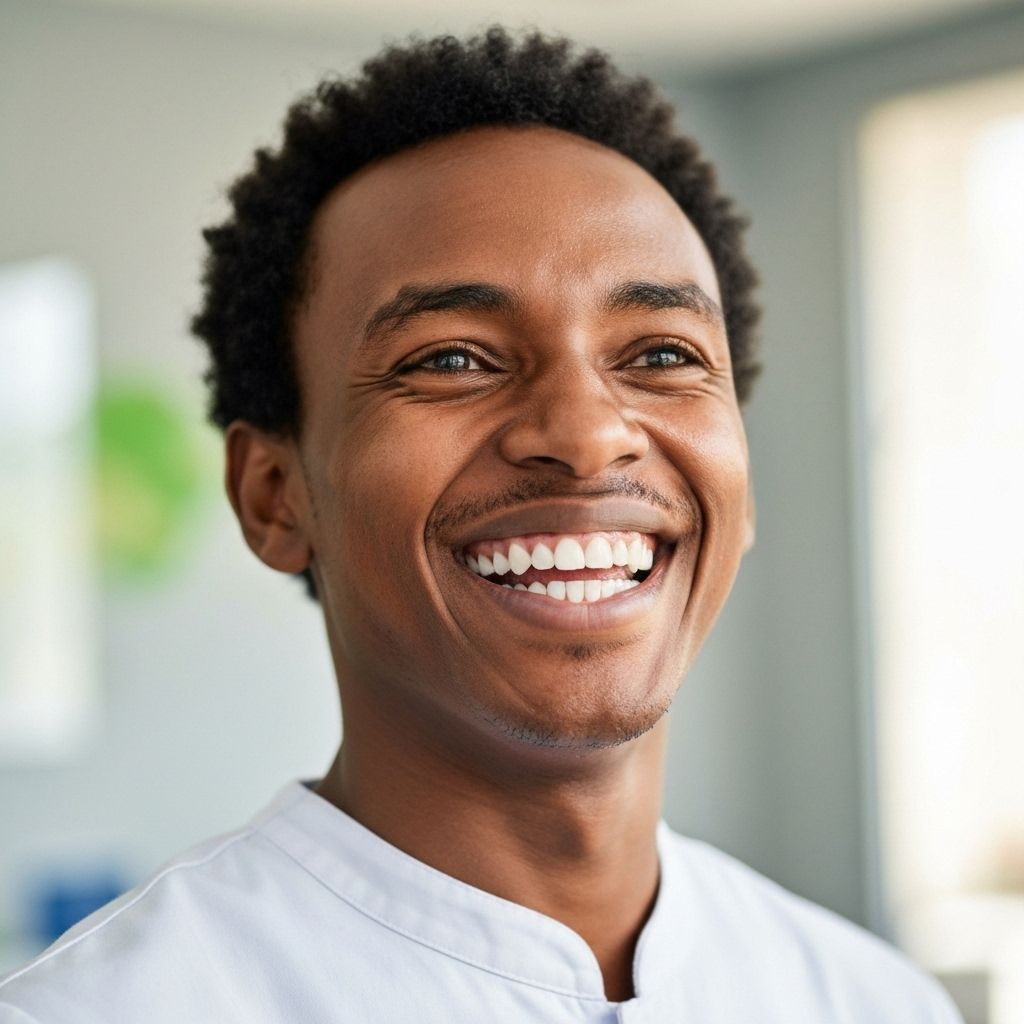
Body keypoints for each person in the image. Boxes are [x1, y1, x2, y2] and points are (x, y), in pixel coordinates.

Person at [0, 25, 963, 1023]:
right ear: (275, 496)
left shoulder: (873, 1001)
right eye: (452, 358)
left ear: (743, 485)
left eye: (662, 354)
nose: (589, 436)